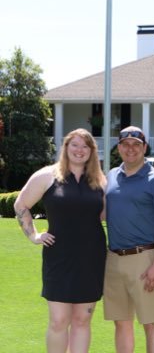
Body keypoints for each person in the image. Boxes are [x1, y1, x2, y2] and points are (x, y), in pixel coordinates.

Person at [14, 128, 107, 353]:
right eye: (74, 145)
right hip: (59, 258)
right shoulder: (47, 175)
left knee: (82, 321)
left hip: (91, 258)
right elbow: (20, 205)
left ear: (92, 151)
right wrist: (34, 235)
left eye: (85, 146)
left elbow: (104, 216)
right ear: (65, 147)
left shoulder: (100, 181)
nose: (79, 150)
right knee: (58, 320)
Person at [104, 125, 154, 353]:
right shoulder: (112, 176)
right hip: (113, 259)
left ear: (144, 148)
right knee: (121, 322)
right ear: (119, 148)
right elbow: (104, 213)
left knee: (151, 323)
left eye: (136, 145)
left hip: (145, 258)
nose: (131, 149)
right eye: (125, 144)